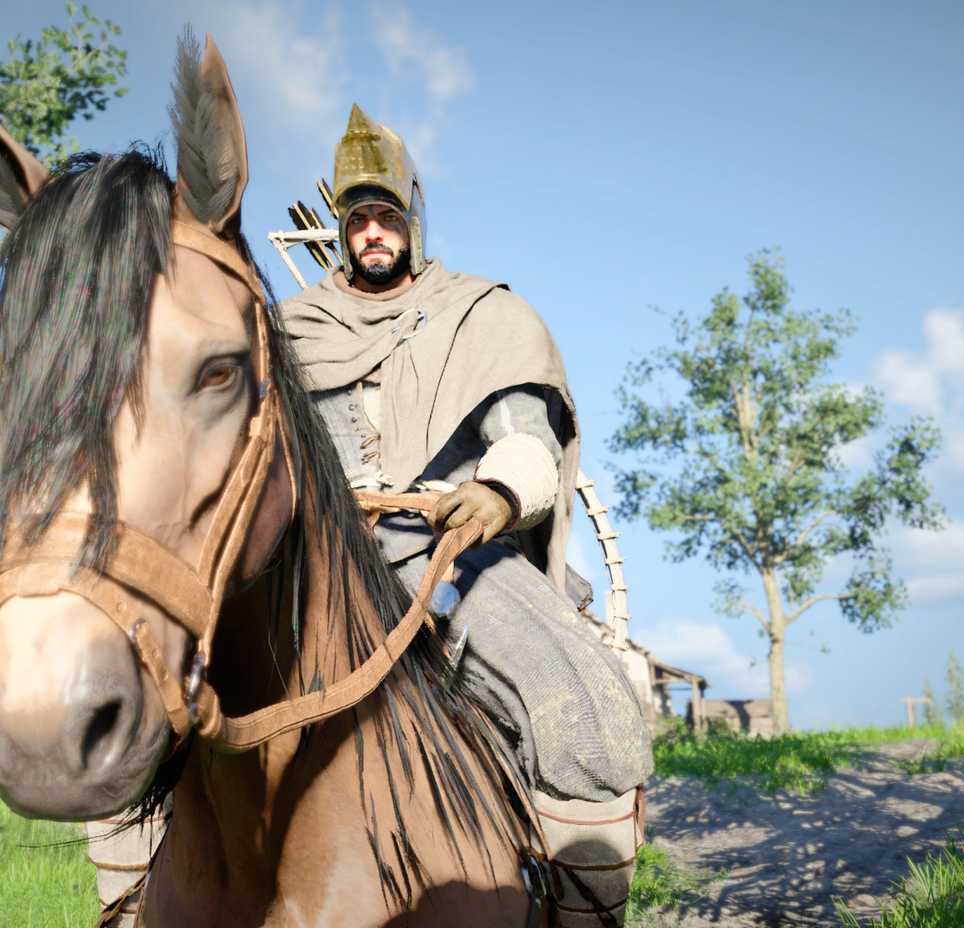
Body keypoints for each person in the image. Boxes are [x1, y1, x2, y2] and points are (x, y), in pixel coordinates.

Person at [275, 104, 653, 925]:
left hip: (447, 547)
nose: (373, 232)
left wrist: (497, 492)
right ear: (341, 234)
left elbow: (526, 438)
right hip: (307, 557)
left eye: (386, 217)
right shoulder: (287, 332)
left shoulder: (481, 315)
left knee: (586, 715)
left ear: (411, 219)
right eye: (358, 221)